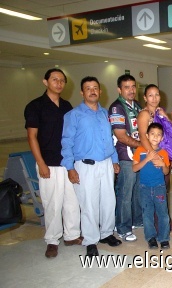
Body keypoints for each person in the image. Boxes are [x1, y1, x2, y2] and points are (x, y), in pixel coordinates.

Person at [24, 68, 83, 258]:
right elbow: (32, 137)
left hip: (67, 162)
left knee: (72, 201)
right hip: (48, 163)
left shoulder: (66, 106)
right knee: (52, 203)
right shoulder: (35, 106)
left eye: (62, 80)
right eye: (54, 79)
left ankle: (72, 235)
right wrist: (40, 163)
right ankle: (52, 239)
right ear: (45, 82)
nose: (58, 83)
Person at [61, 76, 122, 257]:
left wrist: (115, 160)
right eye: (88, 88)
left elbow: (111, 140)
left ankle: (107, 233)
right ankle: (90, 240)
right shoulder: (73, 115)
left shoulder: (104, 114)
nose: (92, 91)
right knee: (89, 204)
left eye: (95, 88)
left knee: (109, 201)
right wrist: (70, 168)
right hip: (85, 166)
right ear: (82, 92)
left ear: (100, 91)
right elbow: (66, 143)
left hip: (106, 164)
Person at [137, 84, 172, 232]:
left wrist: (166, 117)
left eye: (157, 95)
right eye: (151, 95)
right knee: (152, 192)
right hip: (151, 157)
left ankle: (165, 222)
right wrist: (153, 155)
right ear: (145, 98)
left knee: (163, 190)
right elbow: (143, 136)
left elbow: (171, 132)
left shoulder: (161, 113)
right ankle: (156, 225)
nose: (154, 98)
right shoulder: (144, 114)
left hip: (163, 156)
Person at [109, 74, 142, 242]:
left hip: (138, 156)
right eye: (127, 87)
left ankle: (136, 220)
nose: (131, 90)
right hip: (125, 156)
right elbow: (121, 136)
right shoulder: (117, 108)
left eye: (133, 86)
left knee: (136, 191)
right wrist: (142, 145)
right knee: (125, 193)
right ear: (119, 89)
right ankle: (122, 227)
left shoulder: (136, 106)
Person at [132, 123, 171, 249]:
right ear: (147, 136)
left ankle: (164, 238)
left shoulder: (163, 153)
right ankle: (151, 238)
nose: (155, 137)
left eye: (159, 135)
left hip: (159, 187)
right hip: (144, 188)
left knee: (163, 213)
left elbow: (166, 172)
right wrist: (147, 159)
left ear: (162, 138)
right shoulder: (140, 151)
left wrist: (162, 164)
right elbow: (134, 168)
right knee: (147, 214)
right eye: (152, 134)